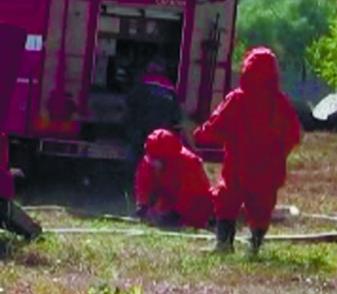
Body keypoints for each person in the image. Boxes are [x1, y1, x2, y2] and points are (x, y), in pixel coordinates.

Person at [193, 47, 301, 255]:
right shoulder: (279, 103)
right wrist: (280, 153)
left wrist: (199, 134)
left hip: (238, 168)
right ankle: (254, 247)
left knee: (227, 202)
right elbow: (293, 134)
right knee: (261, 208)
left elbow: (216, 126)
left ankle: (224, 245)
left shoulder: (237, 100)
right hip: (267, 169)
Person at [133, 128, 214, 230]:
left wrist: (176, 214)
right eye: (153, 157)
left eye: (160, 158)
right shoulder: (148, 161)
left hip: (193, 206)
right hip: (168, 200)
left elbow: (194, 194)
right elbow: (143, 184)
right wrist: (143, 205)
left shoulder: (189, 163)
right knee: (157, 216)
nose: (155, 163)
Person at [125, 58, 182, 168]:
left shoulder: (142, 83)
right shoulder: (170, 89)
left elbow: (130, 101)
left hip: (142, 125)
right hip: (161, 129)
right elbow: (176, 115)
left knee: (136, 150)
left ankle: (135, 171)